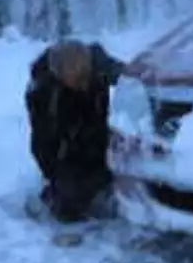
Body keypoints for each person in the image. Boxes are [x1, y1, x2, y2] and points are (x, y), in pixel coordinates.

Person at [24, 39, 126, 222]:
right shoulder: (43, 93)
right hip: (70, 143)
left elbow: (127, 76)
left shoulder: (97, 62)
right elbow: (42, 144)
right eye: (78, 79)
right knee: (69, 206)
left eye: (86, 74)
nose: (85, 83)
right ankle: (54, 195)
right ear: (60, 76)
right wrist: (56, 177)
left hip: (98, 128)